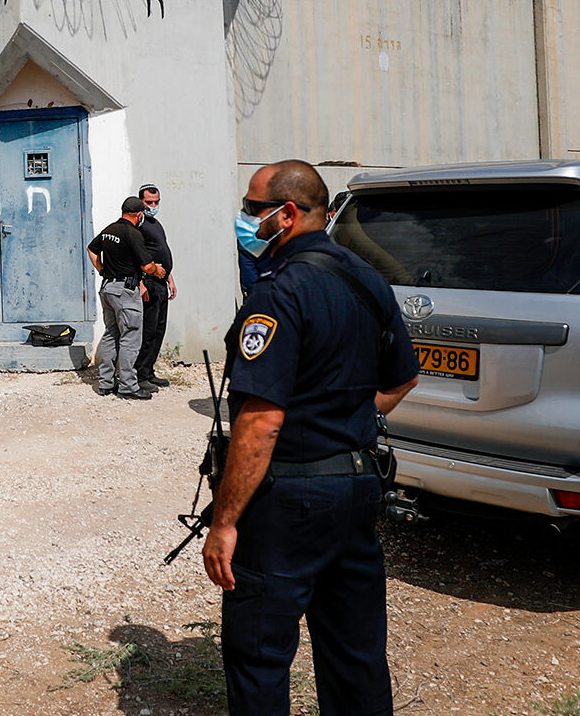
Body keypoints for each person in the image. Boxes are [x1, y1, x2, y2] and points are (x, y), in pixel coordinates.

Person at [205, 160, 420, 716]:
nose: (245, 218)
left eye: (253, 209)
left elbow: (261, 420)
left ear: (288, 214)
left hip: (290, 498)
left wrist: (225, 521)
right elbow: (403, 377)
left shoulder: (279, 292)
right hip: (356, 487)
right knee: (356, 651)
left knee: (259, 654)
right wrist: (347, 420)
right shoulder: (367, 276)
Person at [88, 196, 161, 399]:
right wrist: (158, 270)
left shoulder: (110, 230)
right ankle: (129, 385)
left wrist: (103, 270)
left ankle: (106, 383)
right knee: (130, 336)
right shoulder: (133, 233)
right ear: (138, 214)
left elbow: (91, 249)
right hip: (125, 291)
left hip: (108, 288)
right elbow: (147, 266)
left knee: (112, 333)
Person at [133, 184, 177, 389]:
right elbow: (135, 255)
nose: (153, 205)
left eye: (156, 202)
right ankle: (139, 375)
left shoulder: (155, 223)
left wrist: (170, 277)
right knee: (148, 330)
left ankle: (149, 371)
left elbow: (160, 251)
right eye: (148, 202)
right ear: (140, 201)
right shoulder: (138, 223)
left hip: (161, 282)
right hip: (149, 282)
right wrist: (140, 283)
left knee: (159, 329)